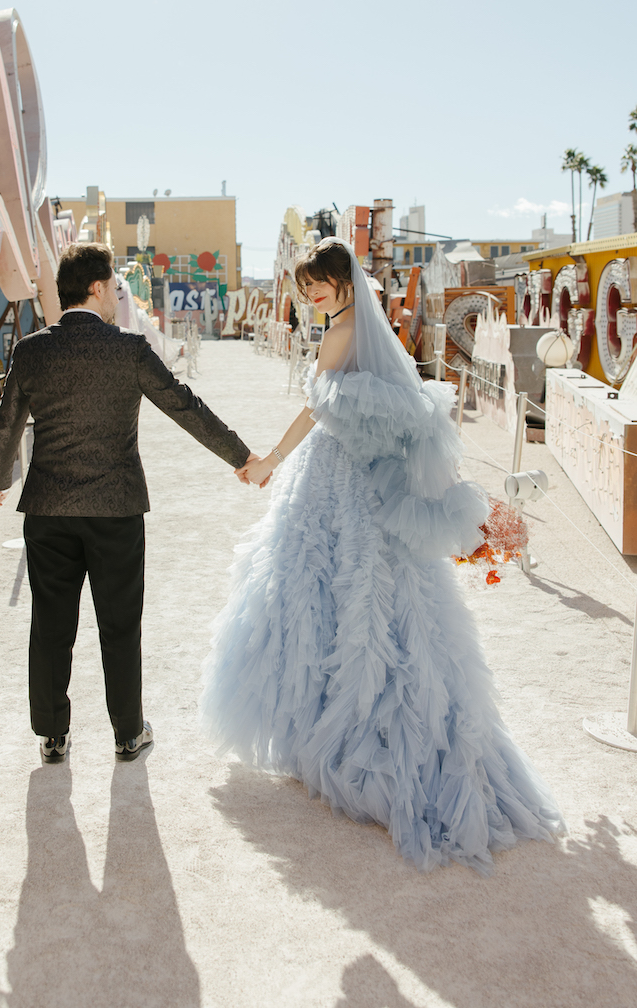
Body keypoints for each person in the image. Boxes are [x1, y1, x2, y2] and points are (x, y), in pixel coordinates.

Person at [200, 238, 565, 874]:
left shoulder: (340, 334)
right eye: (305, 285)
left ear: (345, 283)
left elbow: (315, 411)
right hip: (355, 477)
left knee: (320, 595)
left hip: (333, 479)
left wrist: (268, 462)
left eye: (318, 283)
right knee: (370, 598)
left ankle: (334, 735)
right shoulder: (356, 327)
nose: (309, 294)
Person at [0, 242, 253, 765]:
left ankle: (52, 735)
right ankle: (128, 733)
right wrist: (239, 456)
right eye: (113, 286)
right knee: (120, 623)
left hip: (48, 510)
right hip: (116, 510)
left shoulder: (32, 350)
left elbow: (7, 419)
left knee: (51, 622)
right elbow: (184, 405)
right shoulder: (129, 349)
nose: (116, 296)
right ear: (97, 288)